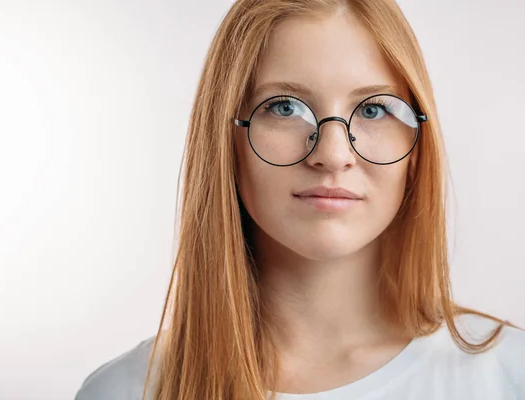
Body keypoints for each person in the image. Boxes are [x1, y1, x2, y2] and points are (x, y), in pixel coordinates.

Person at [74, 0, 525, 399]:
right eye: (284, 107)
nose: (332, 155)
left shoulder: (509, 376)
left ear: (417, 149)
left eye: (373, 110)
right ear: (224, 141)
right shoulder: (126, 392)